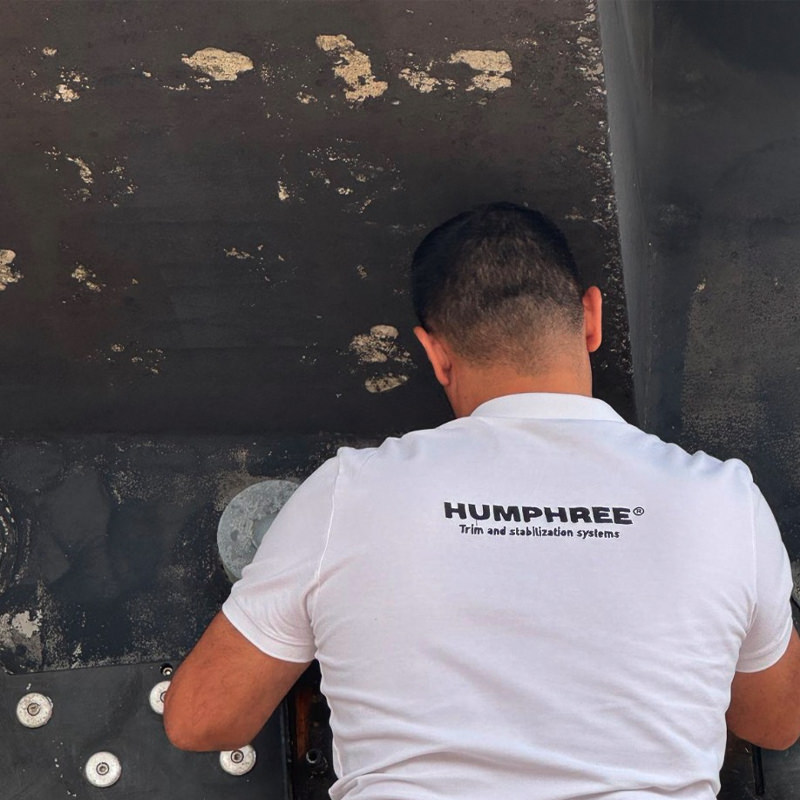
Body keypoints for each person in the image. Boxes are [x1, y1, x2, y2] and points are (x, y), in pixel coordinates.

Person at [164, 202, 800, 800]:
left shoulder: (349, 493)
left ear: (435, 354)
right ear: (591, 319)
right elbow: (776, 723)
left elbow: (201, 719)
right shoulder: (723, 501)